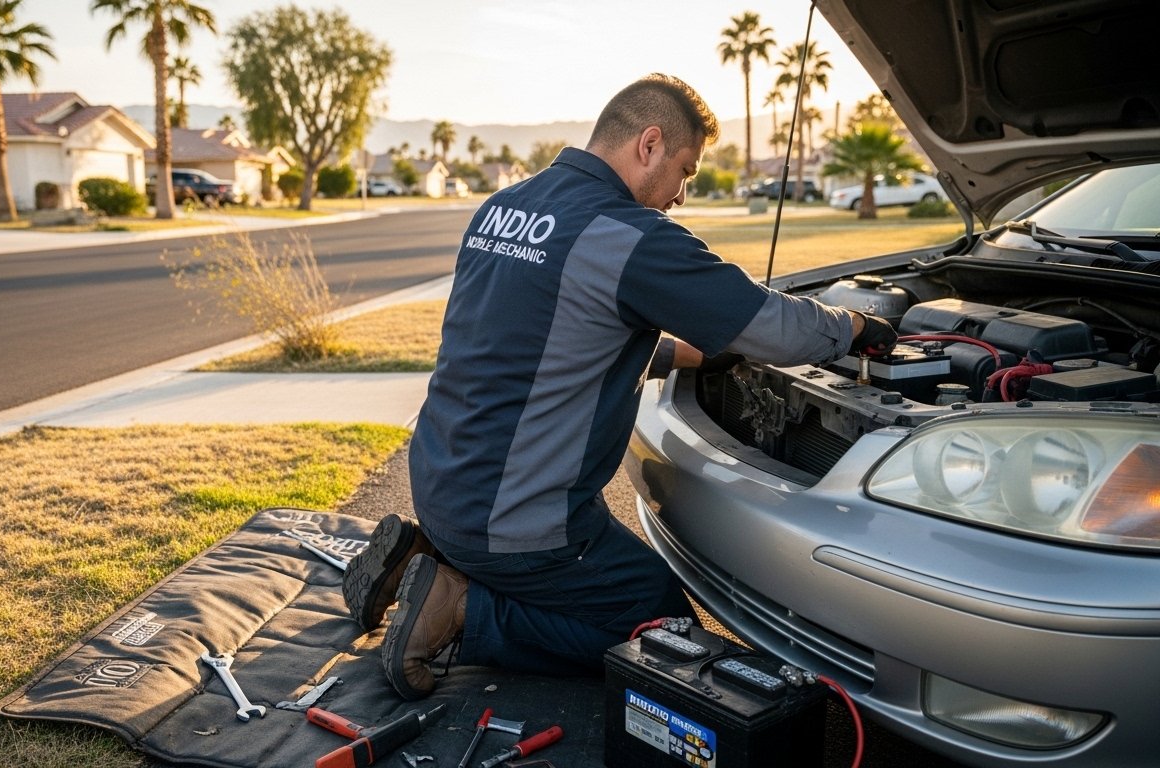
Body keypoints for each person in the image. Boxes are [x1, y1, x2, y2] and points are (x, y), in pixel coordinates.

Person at [341, 73, 897, 700]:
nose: (683, 194)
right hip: (516, 524)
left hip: (441, 484)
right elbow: (775, 327)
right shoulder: (629, 236)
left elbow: (554, 339)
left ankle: (430, 556)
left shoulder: (505, 207)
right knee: (664, 633)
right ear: (650, 144)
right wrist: (854, 328)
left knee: (608, 596)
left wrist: (689, 354)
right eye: (685, 170)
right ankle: (462, 610)